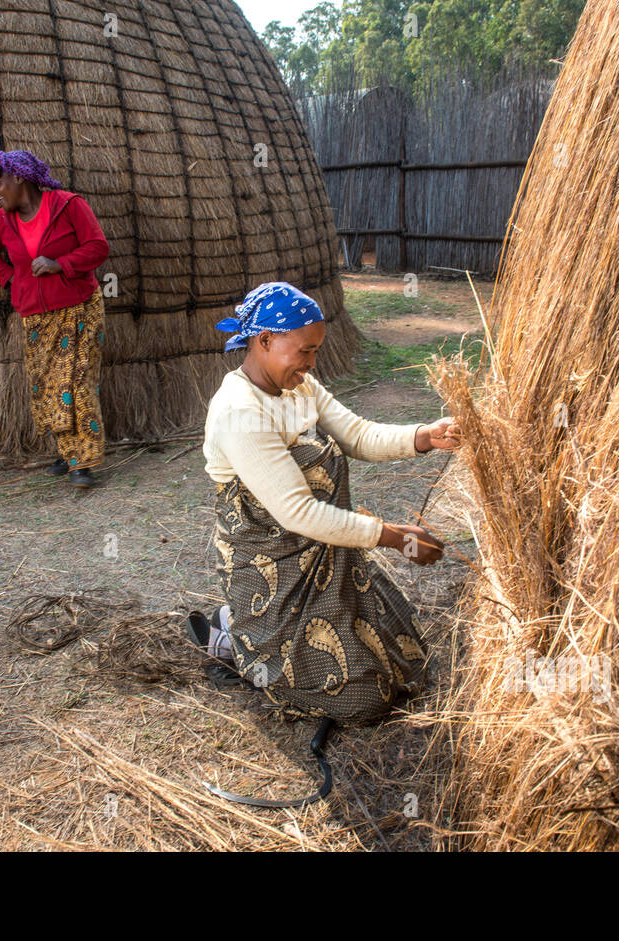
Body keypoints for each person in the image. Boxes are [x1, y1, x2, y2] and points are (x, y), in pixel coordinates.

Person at [192, 282, 461, 724]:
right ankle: (236, 637)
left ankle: (238, 627)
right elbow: (298, 513)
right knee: (363, 704)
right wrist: (393, 538)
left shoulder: (299, 388)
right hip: (274, 574)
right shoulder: (240, 411)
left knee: (407, 663)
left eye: (316, 350)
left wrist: (424, 436)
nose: (312, 363)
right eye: (304, 351)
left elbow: (357, 435)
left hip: (328, 554)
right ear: (264, 342)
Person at [0, 145, 110, 487]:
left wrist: (60, 264)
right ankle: (68, 453)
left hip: (79, 307)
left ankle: (83, 462)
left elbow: (98, 247)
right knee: (50, 387)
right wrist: (10, 279)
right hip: (35, 317)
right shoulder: (2, 221)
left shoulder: (68, 205)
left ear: (20, 178)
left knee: (76, 382)